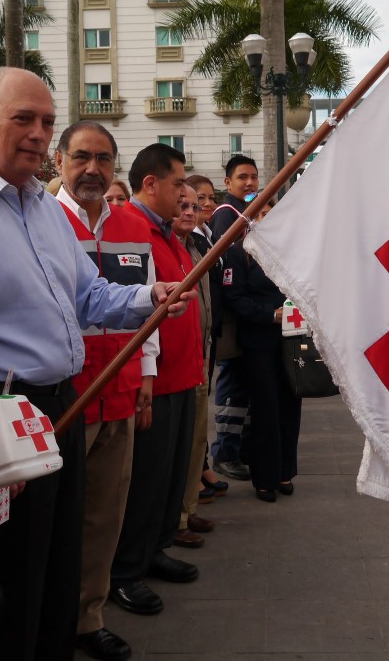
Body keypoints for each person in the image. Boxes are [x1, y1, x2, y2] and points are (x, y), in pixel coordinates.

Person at [0, 67, 193, 661]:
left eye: (46, 122)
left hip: (60, 404)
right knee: (13, 573)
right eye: (23, 119)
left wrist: (150, 297)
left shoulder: (41, 208)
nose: (38, 134)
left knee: (61, 561)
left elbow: (89, 298)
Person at [53, 121, 156, 661]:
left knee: (105, 514)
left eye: (104, 159)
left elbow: (150, 306)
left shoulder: (133, 227)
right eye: (81, 157)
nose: (92, 169)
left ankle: (88, 617)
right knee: (60, 517)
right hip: (64, 393)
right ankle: (50, 619)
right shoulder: (44, 222)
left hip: (120, 387)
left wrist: (147, 374)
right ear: (60, 160)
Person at [110, 143, 203, 616]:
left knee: (167, 479)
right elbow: (130, 306)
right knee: (144, 482)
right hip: (156, 380)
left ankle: (155, 548)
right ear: (150, 184)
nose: (182, 192)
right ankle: (127, 569)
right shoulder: (130, 229)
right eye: (175, 184)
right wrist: (144, 374)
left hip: (184, 376)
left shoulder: (168, 233)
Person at [222, 198, 303, 502]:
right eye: (259, 215)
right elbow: (235, 298)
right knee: (265, 409)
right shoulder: (238, 254)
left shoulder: (289, 252)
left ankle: (285, 471)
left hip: (291, 342)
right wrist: (270, 314)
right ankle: (264, 477)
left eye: (270, 214)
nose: (265, 219)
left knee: (290, 407)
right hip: (258, 343)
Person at [208, 155, 260, 482]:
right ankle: (224, 452)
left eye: (254, 177)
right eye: (242, 177)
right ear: (228, 183)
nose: (250, 183)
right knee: (233, 385)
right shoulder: (227, 215)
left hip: (246, 316)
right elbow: (229, 266)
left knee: (245, 387)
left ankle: (238, 448)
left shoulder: (246, 212)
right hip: (233, 317)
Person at [171, 184, 215, 548]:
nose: (190, 211)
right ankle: (176, 518)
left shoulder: (196, 248)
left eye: (195, 206)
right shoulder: (169, 247)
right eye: (182, 205)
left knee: (197, 440)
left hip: (200, 357)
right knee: (180, 445)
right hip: (174, 364)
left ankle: (188, 508)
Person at [185, 174, 227, 499]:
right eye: (200, 198)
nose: (206, 204)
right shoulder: (190, 239)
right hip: (192, 342)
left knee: (202, 411)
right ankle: (195, 475)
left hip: (208, 336)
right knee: (194, 413)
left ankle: (202, 466)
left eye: (211, 197)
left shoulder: (206, 236)